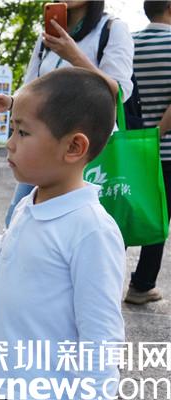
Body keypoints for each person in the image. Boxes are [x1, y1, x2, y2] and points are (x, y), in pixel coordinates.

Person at [0, 68, 125, 400]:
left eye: (23, 132)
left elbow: (101, 340)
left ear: (73, 147)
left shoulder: (92, 231)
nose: (10, 144)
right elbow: (3, 266)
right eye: (11, 130)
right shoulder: (29, 204)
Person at [0, 0, 134, 320]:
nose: (10, 145)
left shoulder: (112, 29)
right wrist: (12, 102)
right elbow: (33, 88)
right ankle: (5, 291)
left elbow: (119, 91)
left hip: (84, 151)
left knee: (73, 229)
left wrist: (74, 55)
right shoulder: (47, 35)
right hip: (43, 147)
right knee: (19, 214)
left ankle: (69, 304)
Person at [124, 0, 171, 305]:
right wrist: (156, 135)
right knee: (157, 216)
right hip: (165, 151)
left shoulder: (127, 42)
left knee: (120, 211)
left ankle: (99, 279)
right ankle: (142, 286)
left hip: (127, 149)